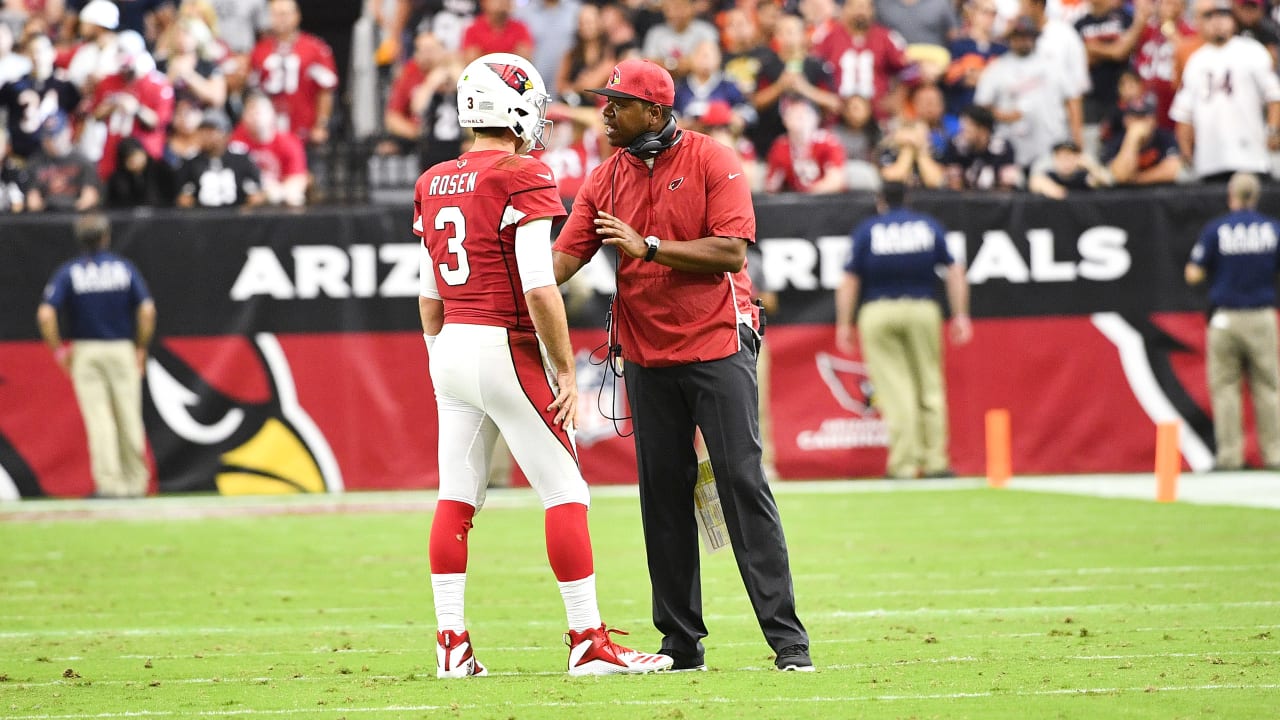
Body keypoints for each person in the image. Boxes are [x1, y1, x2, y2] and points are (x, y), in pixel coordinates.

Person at [413, 52, 673, 679]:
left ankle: (452, 645)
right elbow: (539, 285)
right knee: (565, 491)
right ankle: (586, 639)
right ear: (514, 106)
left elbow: (428, 296)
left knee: (457, 496)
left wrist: (440, 356)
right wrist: (561, 367)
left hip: (451, 346)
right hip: (504, 342)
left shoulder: (432, 179)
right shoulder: (522, 174)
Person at [551, 58, 813, 672]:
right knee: (662, 496)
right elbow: (562, 263)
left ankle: (788, 642)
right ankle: (679, 643)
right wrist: (505, 282)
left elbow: (728, 251)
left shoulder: (712, 159)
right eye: (604, 100)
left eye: (618, 102)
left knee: (742, 484)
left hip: (717, 342)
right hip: (645, 352)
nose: (606, 111)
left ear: (658, 111)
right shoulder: (603, 177)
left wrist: (649, 247)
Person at [834, 181, 973, 480]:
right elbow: (955, 270)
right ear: (907, 199)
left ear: (881, 201)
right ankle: (936, 461)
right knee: (930, 386)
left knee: (895, 391)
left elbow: (849, 279)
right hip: (923, 308)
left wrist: (844, 323)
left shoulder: (869, 229)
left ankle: (904, 465)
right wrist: (960, 315)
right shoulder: (927, 226)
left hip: (878, 310)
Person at [36, 214, 156, 498]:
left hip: (87, 350)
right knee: (129, 415)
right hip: (121, 348)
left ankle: (110, 485)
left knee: (99, 419)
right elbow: (147, 310)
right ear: (106, 237)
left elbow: (45, 313)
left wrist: (58, 349)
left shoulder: (71, 271)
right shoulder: (123, 268)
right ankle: (136, 483)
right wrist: (141, 346)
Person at [1185, 172, 1280, 471]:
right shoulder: (1273, 229)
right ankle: (1274, 454)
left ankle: (1230, 457)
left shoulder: (1217, 229)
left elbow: (1193, 273)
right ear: (1255, 196)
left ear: (1232, 196)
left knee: (1226, 387)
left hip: (1226, 316)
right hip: (1262, 315)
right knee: (1268, 387)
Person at [1169, 0, 1280, 182]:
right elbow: (1183, 115)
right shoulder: (1195, 62)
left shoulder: (1252, 51)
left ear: (1232, 20)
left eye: (1223, 15)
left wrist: (1273, 130)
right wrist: (1186, 151)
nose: (1217, 22)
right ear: (1200, 23)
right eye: (1209, 17)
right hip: (1210, 161)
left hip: (1251, 156)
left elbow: (1274, 96)